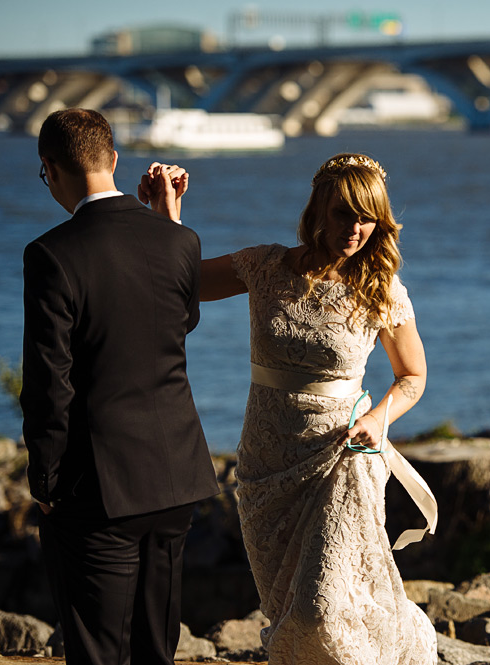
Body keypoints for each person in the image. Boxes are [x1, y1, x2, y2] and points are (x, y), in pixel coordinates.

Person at [143, 153, 437, 664]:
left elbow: (412, 377)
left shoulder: (381, 286)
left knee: (320, 610)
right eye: (344, 213)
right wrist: (168, 211)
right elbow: (180, 281)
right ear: (319, 210)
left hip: (341, 458)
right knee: (286, 608)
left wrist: (376, 418)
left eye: (368, 217)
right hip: (265, 465)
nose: (356, 228)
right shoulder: (265, 265)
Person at [21, 108, 219, 665]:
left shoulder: (52, 254)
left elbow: (48, 383)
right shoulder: (181, 240)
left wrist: (46, 482)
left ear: (50, 169)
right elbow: (181, 322)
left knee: (98, 651)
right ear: (113, 159)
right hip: (177, 478)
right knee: (157, 649)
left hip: (97, 489)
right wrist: (168, 219)